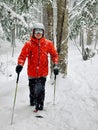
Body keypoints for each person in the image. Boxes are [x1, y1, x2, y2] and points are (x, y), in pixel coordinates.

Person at [16, 22, 59, 111]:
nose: (38, 34)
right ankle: (33, 102)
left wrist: (55, 64)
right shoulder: (29, 44)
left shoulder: (48, 44)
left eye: (40, 32)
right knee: (32, 89)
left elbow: (54, 55)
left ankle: (40, 105)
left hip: (43, 72)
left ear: (43, 33)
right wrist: (20, 64)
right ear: (33, 32)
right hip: (32, 72)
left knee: (40, 89)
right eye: (36, 32)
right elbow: (22, 56)